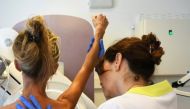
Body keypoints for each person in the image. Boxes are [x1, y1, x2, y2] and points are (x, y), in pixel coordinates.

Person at [14, 31, 177, 109]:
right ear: (54, 69)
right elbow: (68, 101)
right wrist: (90, 63)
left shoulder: (116, 107)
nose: (100, 79)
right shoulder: (168, 95)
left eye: (101, 70)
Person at [1, 14, 108, 109]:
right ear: (54, 69)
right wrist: (99, 30)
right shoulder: (65, 106)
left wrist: (100, 30)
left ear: (17, 65)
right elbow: (87, 68)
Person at [95, 33, 177, 109]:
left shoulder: (114, 106)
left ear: (117, 60)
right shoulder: (168, 97)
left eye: (102, 69)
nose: (101, 81)